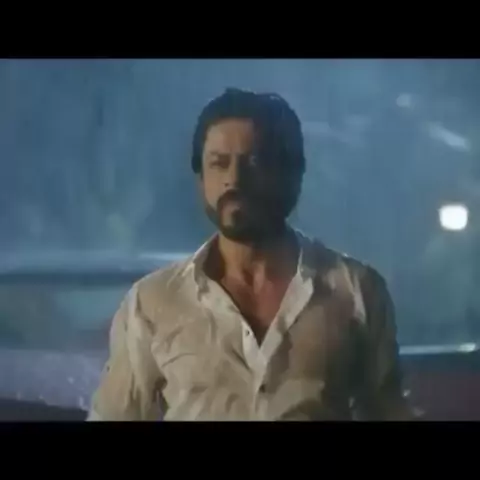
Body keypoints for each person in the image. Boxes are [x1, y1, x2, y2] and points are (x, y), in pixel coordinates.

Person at [87, 88, 415, 421]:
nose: (234, 180)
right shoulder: (152, 303)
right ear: (200, 178)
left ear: (293, 174)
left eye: (255, 162)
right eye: (219, 163)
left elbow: (387, 410)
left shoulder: (356, 291)